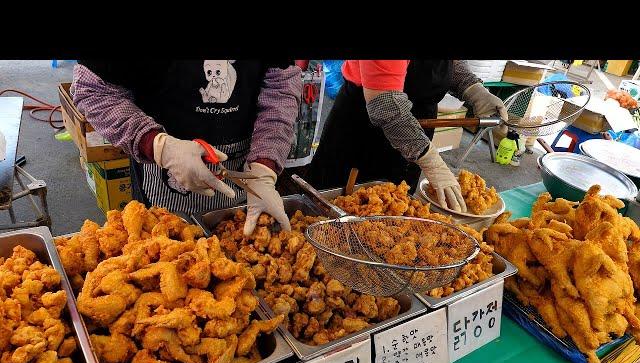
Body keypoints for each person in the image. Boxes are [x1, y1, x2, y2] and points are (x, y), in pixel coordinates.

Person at [71, 60, 301, 235]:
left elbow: (280, 88)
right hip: (162, 171)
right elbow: (94, 89)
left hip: (244, 167)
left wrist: (265, 167)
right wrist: (158, 145)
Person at [305, 60, 508, 212]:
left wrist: (473, 89)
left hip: (417, 126)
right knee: (340, 212)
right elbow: (384, 103)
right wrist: (433, 163)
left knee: (396, 210)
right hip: (365, 131)